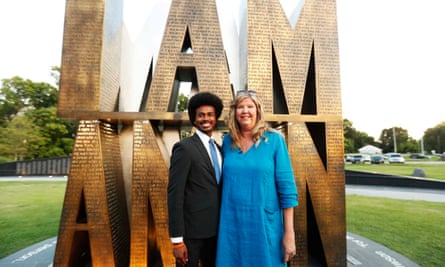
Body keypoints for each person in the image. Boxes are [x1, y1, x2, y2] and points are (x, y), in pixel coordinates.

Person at [215, 90, 298, 267]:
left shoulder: (274, 140)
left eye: (250, 106)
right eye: (240, 107)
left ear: (258, 111)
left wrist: (289, 233)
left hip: (264, 225)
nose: (245, 111)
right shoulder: (228, 142)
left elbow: (287, 190)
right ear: (234, 112)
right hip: (232, 226)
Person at [167, 92, 224, 267]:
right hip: (191, 236)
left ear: (215, 118)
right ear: (194, 119)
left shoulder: (220, 149)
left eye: (210, 115)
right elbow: (175, 194)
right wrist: (177, 240)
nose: (205, 119)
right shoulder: (184, 148)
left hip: (217, 233)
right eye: (201, 115)